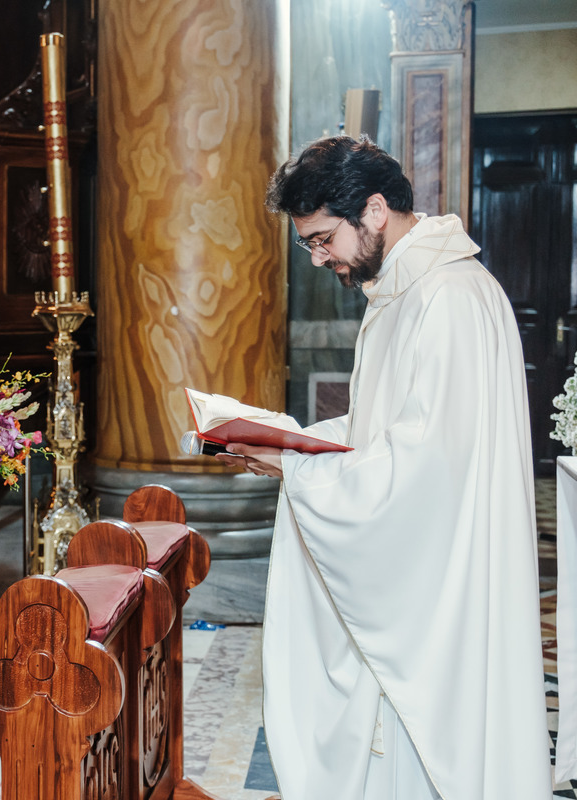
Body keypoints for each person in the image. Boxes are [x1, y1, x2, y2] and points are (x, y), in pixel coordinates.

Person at [217, 136, 551, 798]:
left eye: (322, 238)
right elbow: (385, 427)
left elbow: (429, 467)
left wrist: (299, 470)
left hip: (442, 589)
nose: (318, 258)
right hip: (420, 571)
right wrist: (292, 445)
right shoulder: (400, 291)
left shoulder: (449, 296)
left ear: (373, 210)